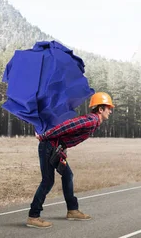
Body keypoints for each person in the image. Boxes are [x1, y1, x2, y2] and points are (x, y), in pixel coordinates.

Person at [26, 92, 115, 229]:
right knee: (48, 181)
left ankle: (72, 210)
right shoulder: (91, 120)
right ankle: (33, 216)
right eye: (109, 108)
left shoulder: (94, 122)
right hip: (49, 145)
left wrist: (63, 149)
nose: (111, 110)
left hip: (56, 148)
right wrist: (44, 136)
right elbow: (67, 126)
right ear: (100, 109)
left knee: (68, 175)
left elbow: (69, 134)